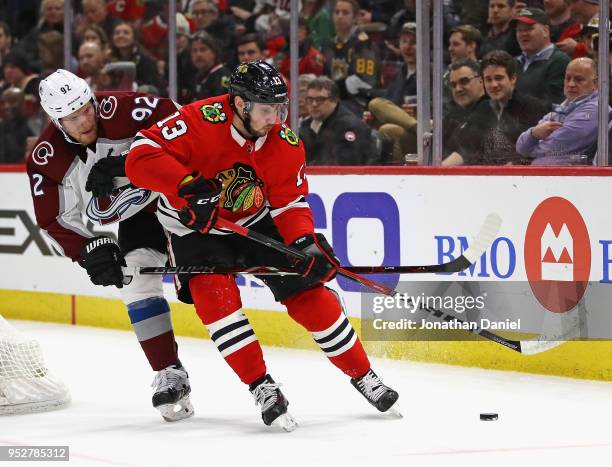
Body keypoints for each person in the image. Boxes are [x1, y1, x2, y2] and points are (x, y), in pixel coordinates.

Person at [126, 61, 399, 429]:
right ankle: (262, 386)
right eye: (267, 108)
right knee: (215, 301)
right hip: (194, 230)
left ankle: (364, 374)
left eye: (281, 108)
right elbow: (140, 156)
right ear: (240, 103)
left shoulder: (284, 143)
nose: (276, 118)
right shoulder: (199, 120)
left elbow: (289, 203)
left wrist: (305, 242)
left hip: (258, 221)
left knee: (311, 296)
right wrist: (187, 186)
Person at [26, 69, 193, 422]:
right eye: (73, 117)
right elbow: (54, 219)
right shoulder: (47, 158)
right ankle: (169, 371)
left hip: (185, 199)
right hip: (138, 216)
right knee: (134, 282)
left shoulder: (127, 108)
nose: (86, 120)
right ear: (56, 120)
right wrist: (89, 248)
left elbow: (188, 127)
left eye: (87, 108)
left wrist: (132, 162)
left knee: (199, 286)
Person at [443, 50, 550, 165]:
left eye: (498, 78)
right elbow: (465, 148)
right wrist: (439, 171)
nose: (493, 85)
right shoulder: (484, 108)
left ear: (513, 79)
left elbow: (536, 153)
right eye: (488, 79)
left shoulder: (533, 107)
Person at [516, 57, 605, 164]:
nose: (571, 84)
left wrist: (531, 145)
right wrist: (534, 134)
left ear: (595, 83)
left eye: (579, 79)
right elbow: (521, 148)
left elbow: (553, 149)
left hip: (573, 178)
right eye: (568, 78)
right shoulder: (561, 109)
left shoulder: (596, 109)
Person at [301, 76, 379, 165]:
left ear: (334, 100)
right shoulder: (305, 126)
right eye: (310, 99)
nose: (314, 104)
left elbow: (346, 164)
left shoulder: (350, 127)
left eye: (320, 100)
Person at [514, 7, 571, 107]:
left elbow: (555, 106)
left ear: (545, 30)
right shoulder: (513, 62)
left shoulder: (560, 61)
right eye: (519, 30)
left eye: (528, 29)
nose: (523, 34)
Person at [443, 59, 488, 158]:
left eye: (464, 81)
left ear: (481, 81)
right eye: (453, 85)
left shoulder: (490, 109)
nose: (458, 89)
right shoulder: (452, 114)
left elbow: (464, 152)